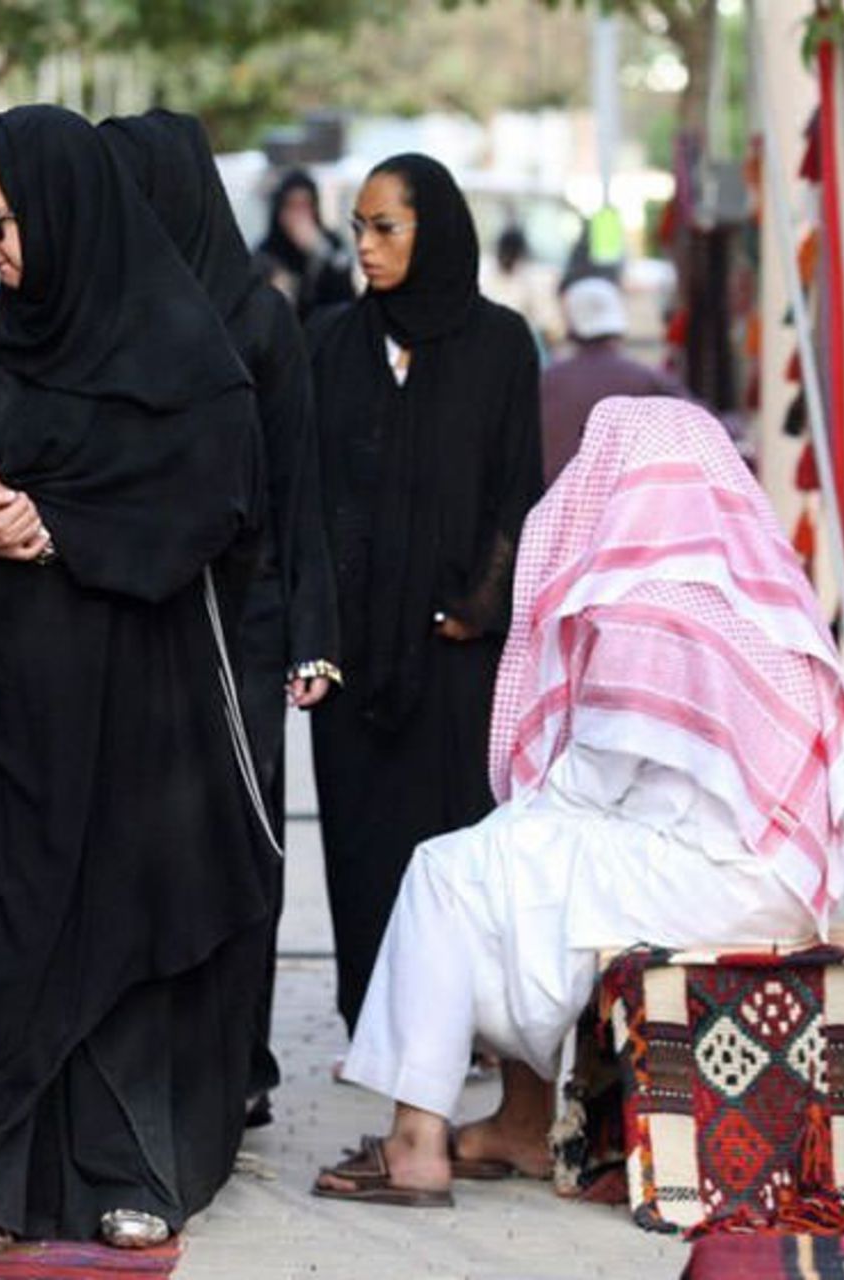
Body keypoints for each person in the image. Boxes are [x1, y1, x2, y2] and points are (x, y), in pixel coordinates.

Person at [0, 104, 276, 1254]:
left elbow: (215, 500)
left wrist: (57, 530)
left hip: (137, 711)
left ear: (67, 212)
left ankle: (127, 1166)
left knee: (124, 930)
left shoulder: (182, 349)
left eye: (1, 219)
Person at [313, 394, 844, 1206]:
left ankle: (414, 1142)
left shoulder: (649, 599)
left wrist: (515, 818)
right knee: (509, 867)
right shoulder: (754, 591)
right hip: (775, 881)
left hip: (710, 880)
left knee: (449, 871)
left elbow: (596, 776)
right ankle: (518, 1121)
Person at [99, 109, 340, 1127]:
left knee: (238, 838)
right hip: (133, 622)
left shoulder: (257, 316)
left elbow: (298, 484)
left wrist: (310, 634)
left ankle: (237, 1057)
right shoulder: (106, 308)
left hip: (243, 627)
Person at [305, 153, 543, 1059]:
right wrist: (317, 632)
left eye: (385, 227)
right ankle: (376, 1021)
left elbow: (516, 489)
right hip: (355, 652)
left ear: (432, 230)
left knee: (450, 845)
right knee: (362, 846)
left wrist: (477, 608)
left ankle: (460, 1027)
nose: (364, 245)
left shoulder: (499, 344)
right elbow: (307, 494)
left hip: (453, 652)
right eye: (358, 227)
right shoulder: (330, 343)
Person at [539, 276, 688, 485]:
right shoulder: (647, 379)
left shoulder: (544, 382)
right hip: (628, 509)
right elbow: (702, 422)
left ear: (570, 325)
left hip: (549, 507)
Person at [254, 168, 357, 321]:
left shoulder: (330, 242)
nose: (299, 215)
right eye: (292, 206)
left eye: (305, 205)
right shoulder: (265, 253)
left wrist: (320, 251)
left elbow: (346, 295)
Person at [480, 224, 563, 359]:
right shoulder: (483, 272)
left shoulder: (534, 277)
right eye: (505, 255)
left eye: (511, 256)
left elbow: (550, 327)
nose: (508, 260)